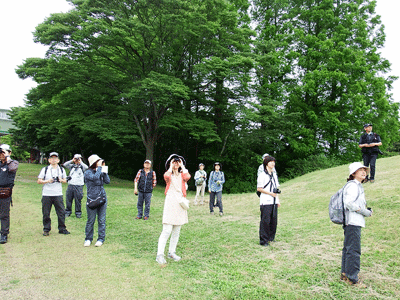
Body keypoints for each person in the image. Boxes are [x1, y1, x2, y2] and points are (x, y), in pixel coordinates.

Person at [341, 162, 372, 288]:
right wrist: (365, 211)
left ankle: (345, 273)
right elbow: (349, 203)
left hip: (352, 221)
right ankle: (352, 278)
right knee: (354, 250)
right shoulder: (353, 186)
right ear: (353, 173)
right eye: (360, 170)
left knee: (348, 248)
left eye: (364, 170)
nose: (364, 172)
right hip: (353, 221)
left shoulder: (357, 186)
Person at [156, 154, 191, 264]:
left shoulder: (182, 175)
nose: (176, 163)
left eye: (178, 161)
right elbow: (166, 176)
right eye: (174, 161)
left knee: (177, 230)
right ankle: (159, 255)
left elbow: (187, 177)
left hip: (180, 204)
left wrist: (182, 165)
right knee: (167, 230)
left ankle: (172, 252)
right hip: (170, 203)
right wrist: (171, 166)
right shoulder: (169, 175)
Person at [37, 152, 70, 236]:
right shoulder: (45, 169)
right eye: (52, 158)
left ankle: (62, 228)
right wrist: (47, 181)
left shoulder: (61, 170)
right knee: (46, 213)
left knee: (61, 212)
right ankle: (46, 229)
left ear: (58, 160)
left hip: (58, 193)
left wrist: (61, 180)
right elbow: (39, 181)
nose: (54, 160)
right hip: (47, 193)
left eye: (55, 158)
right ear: (49, 160)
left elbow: (65, 180)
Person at [84, 154, 110, 247]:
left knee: (101, 220)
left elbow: (107, 181)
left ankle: (100, 239)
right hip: (92, 199)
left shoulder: (100, 171)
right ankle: (88, 239)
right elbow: (95, 178)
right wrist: (99, 168)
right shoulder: (88, 172)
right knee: (90, 220)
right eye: (98, 161)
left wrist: (104, 172)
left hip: (102, 198)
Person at [256, 156, 280, 246]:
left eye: (274, 162)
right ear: (266, 163)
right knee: (265, 221)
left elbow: (275, 188)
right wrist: (270, 194)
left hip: (273, 201)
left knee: (274, 221)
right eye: (271, 162)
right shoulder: (262, 175)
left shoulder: (274, 175)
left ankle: (271, 238)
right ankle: (263, 240)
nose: (273, 163)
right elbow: (259, 188)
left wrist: (277, 200)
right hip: (265, 201)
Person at [0, 144, 19, 244]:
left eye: (3, 152)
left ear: (9, 152)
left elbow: (12, 169)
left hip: (5, 192)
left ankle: (4, 233)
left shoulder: (13, 163)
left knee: (4, 214)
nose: (1, 154)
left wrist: (7, 157)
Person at [63, 154, 88, 218]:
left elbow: (87, 167)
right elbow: (65, 164)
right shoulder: (71, 166)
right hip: (70, 185)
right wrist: (72, 160)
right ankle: (68, 212)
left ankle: (78, 213)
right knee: (68, 199)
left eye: (78, 158)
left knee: (78, 199)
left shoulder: (82, 167)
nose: (77, 160)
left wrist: (80, 162)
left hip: (79, 185)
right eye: (76, 159)